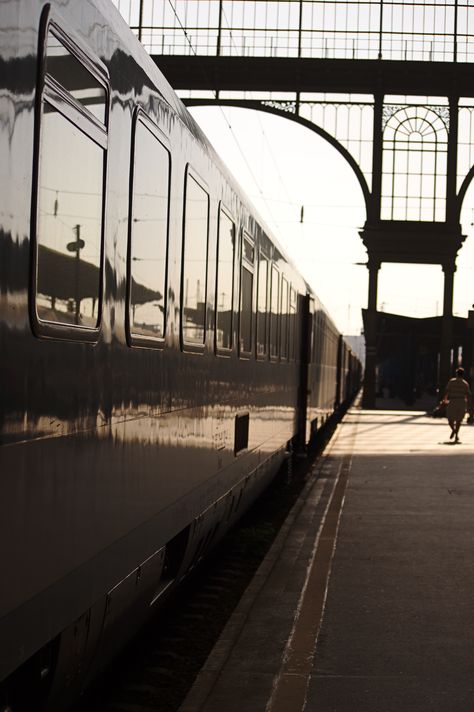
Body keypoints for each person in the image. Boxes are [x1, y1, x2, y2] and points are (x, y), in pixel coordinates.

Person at [443, 367, 472, 443]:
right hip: (462, 402)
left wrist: (445, 399)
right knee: (459, 420)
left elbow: (447, 391)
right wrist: (469, 405)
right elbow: (468, 394)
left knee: (450, 419)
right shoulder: (465, 383)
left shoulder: (451, 382)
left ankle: (453, 430)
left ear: (456, 374)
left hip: (452, 401)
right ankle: (456, 434)